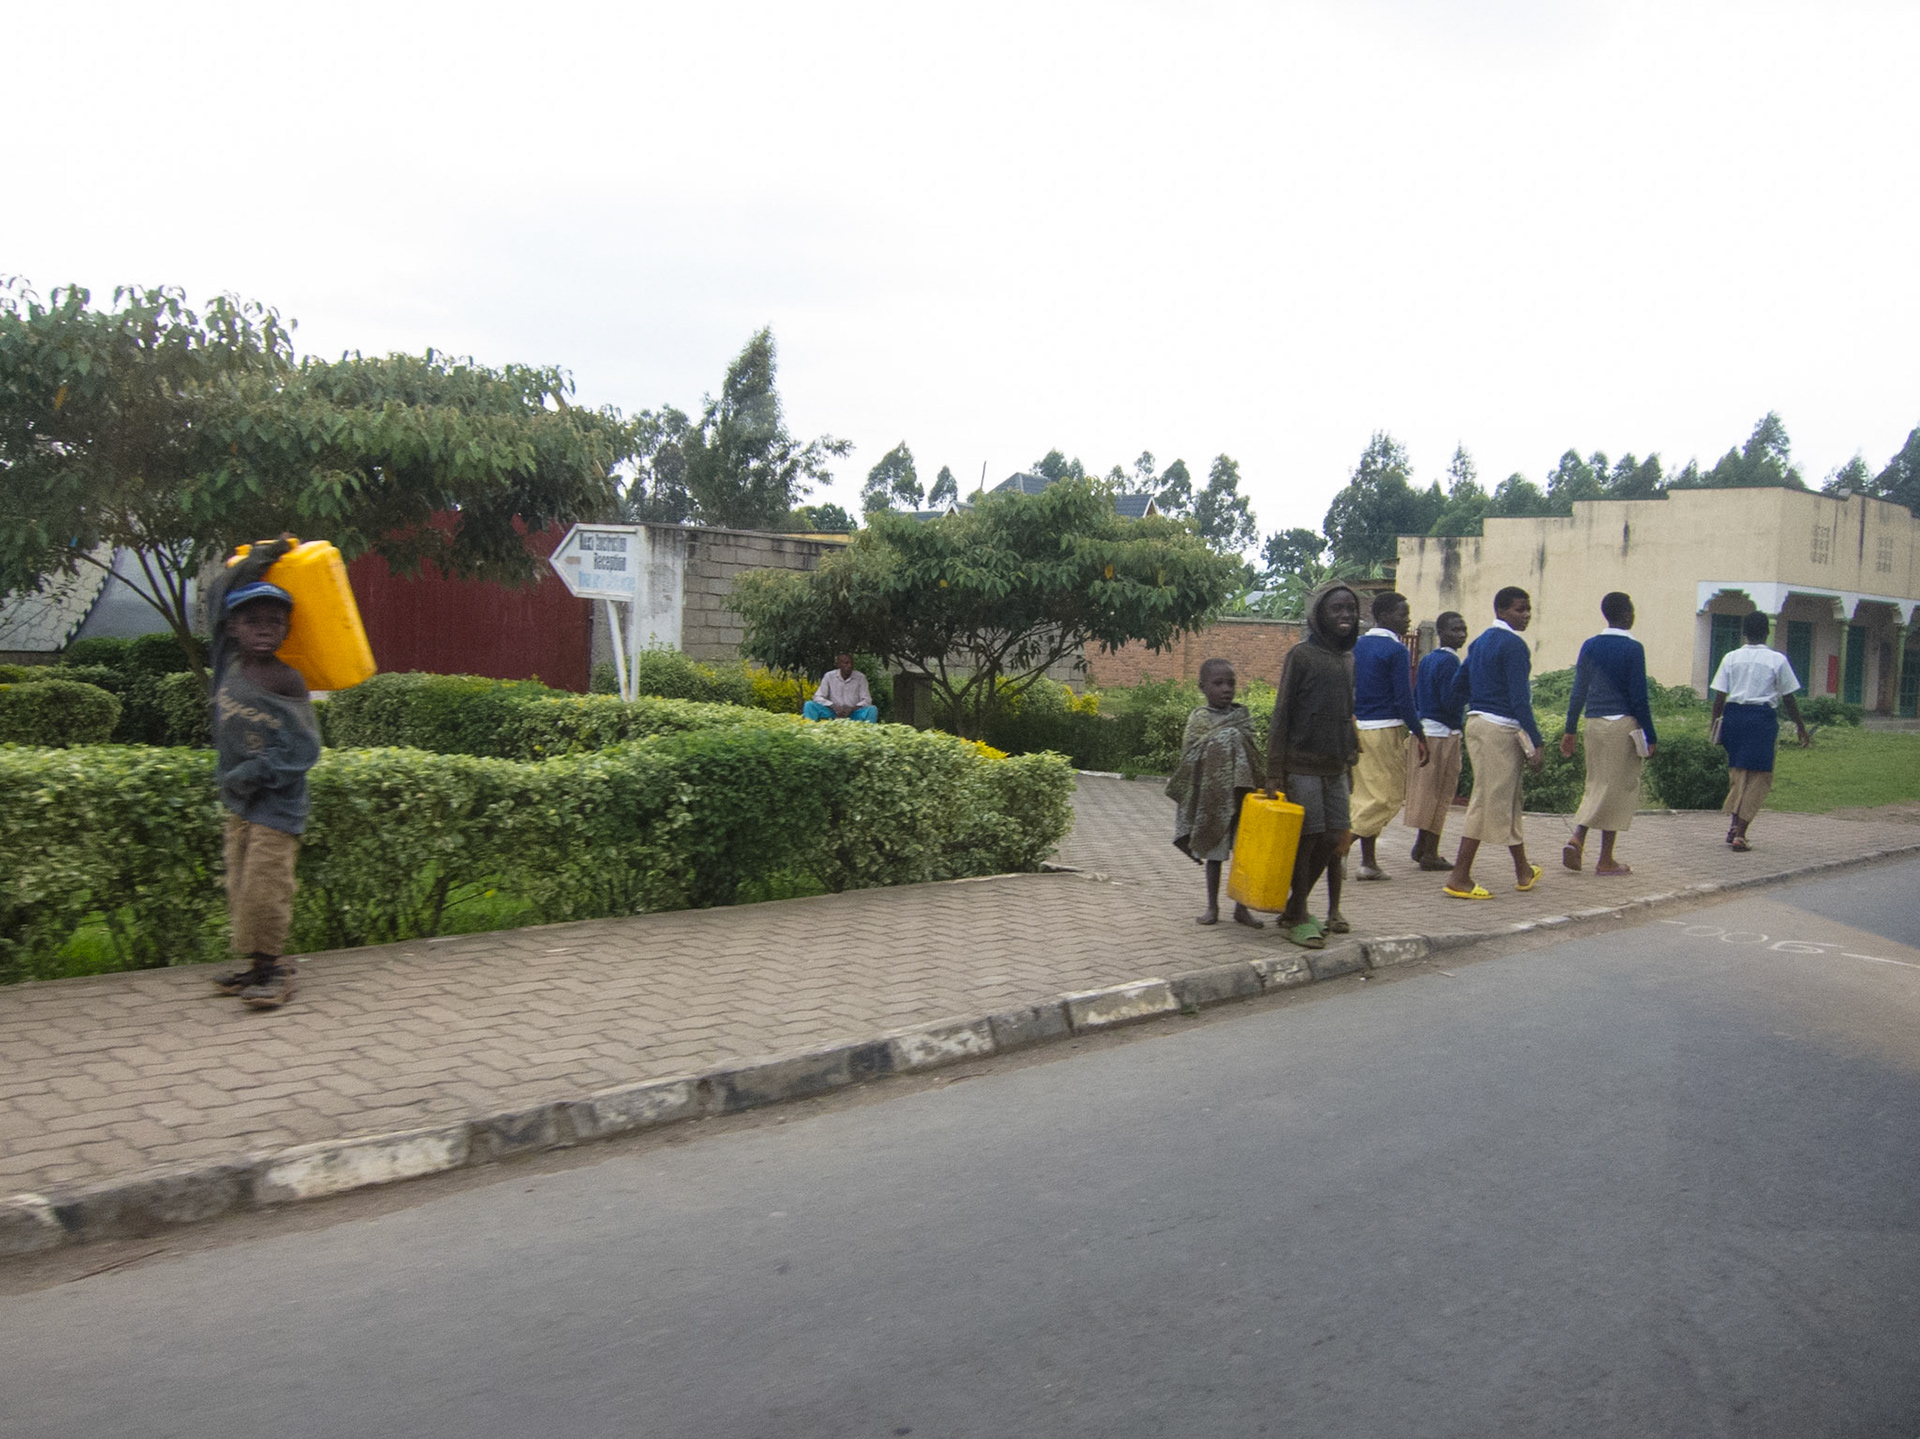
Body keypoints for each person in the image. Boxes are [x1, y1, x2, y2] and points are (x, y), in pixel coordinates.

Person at [207, 543, 323, 1009]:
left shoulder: (286, 680)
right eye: (253, 621)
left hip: (277, 801)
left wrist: (255, 771)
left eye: (274, 622)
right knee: (240, 883)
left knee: (266, 886)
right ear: (233, 628)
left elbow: (303, 748)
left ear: (286, 629)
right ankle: (257, 966)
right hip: (239, 799)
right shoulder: (227, 664)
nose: (263, 630)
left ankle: (272, 971)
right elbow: (219, 594)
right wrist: (261, 559)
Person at [1265, 582, 1361, 948]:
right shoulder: (1301, 655)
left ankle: (1293, 906)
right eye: (1336, 609)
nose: (1345, 616)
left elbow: (1345, 714)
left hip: (1336, 766)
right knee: (1307, 840)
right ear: (1320, 613)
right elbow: (1282, 713)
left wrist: (1349, 756)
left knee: (1334, 839)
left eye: (1350, 610)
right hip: (1301, 764)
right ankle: (1299, 913)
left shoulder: (1348, 659)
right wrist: (1275, 771)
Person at [1443, 586, 1546, 899]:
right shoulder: (1514, 646)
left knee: (1506, 799)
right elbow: (1519, 700)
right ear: (1501, 611)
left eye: (1528, 609)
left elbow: (1457, 686)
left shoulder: (1479, 642)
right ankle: (1459, 877)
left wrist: (1462, 715)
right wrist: (1537, 741)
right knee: (1487, 801)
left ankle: (1523, 870)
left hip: (1478, 723)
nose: (1525, 615)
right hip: (1499, 728)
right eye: (1519, 609)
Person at [1560, 592, 1657, 876]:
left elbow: (1579, 691)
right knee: (1618, 789)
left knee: (1596, 783)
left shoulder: (1590, 645)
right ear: (1627, 614)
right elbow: (1639, 697)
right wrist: (1651, 734)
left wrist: (1570, 729)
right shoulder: (1633, 648)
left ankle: (1579, 839)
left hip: (1593, 722)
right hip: (1622, 724)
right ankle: (1602, 857)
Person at [1166, 658, 1265, 928]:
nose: (1226, 689)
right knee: (1215, 852)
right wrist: (1223, 742)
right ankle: (1212, 906)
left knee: (1244, 854)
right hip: (1211, 797)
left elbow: (1254, 757)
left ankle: (1241, 907)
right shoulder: (1199, 719)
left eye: (1231, 683)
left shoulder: (1242, 717)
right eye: (1218, 683)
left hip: (1241, 795)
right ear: (1202, 687)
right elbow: (1191, 758)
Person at [1709, 611, 1810, 851]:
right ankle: (1741, 834)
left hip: (1734, 717)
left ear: (1744, 632)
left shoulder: (1731, 658)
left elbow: (1719, 697)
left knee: (1738, 773)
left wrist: (1715, 724)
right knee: (1760, 776)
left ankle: (1734, 825)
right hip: (1761, 719)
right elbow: (1789, 698)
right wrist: (1800, 726)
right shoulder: (1777, 660)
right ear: (1767, 632)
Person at [1349, 591, 1429, 879]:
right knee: (1385, 797)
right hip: (1385, 729)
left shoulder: (1356, 646)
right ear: (1382, 616)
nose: (1407, 619)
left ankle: (1368, 863)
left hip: (1358, 728)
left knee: (1364, 795)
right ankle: (1340, 848)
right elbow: (1404, 697)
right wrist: (1419, 733)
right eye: (1401, 613)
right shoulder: (1396, 651)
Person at [1406, 610, 1469, 872]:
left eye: (1463, 629)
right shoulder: (1451, 663)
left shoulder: (1428, 660)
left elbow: (1417, 696)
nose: (1461, 634)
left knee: (1427, 794)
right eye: (1455, 629)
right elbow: (1450, 701)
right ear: (1441, 633)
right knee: (1441, 794)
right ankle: (1430, 850)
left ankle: (1422, 845)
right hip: (1443, 733)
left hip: (1425, 730)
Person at [803, 653, 878, 722]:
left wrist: (852, 709)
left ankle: (868, 734)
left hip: (853, 713)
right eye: (846, 663)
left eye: (851, 663)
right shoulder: (829, 676)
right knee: (809, 705)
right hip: (833, 713)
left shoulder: (860, 677)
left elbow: (867, 700)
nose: (849, 666)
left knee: (872, 709)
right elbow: (818, 697)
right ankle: (811, 732)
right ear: (838, 665)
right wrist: (833, 706)